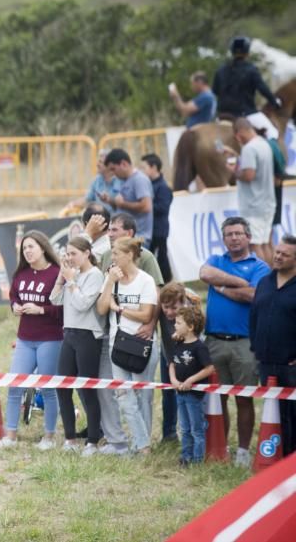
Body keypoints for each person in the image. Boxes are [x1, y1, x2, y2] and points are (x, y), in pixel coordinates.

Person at [200, 216, 272, 468]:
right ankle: (221, 447)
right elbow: (204, 273)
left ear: (248, 237)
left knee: (244, 398)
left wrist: (220, 287)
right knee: (216, 399)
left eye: (238, 234)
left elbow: (253, 295)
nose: (233, 238)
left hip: (244, 343)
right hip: (214, 341)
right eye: (229, 234)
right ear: (223, 238)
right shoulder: (216, 261)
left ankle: (243, 451)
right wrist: (238, 282)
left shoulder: (260, 266)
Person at [0, 231, 62, 451]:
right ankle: (10, 435)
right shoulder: (21, 274)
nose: (27, 251)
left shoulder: (57, 274)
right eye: (24, 249)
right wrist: (15, 306)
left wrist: (41, 309)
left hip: (50, 338)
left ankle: (49, 436)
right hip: (25, 338)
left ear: (43, 247)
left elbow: (64, 309)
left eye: (31, 247)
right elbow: (14, 296)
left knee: (48, 388)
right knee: (15, 385)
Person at [97, 237, 159, 455]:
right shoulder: (112, 278)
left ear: (130, 255)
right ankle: (142, 444)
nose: (112, 257)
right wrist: (108, 283)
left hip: (142, 343)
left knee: (143, 394)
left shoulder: (145, 280)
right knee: (124, 395)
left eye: (115, 253)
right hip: (118, 343)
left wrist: (121, 309)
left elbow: (146, 314)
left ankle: (142, 442)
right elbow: (103, 309)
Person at [49, 236, 105, 456]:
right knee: (62, 386)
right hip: (69, 333)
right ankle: (70, 438)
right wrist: (62, 279)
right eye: (67, 254)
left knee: (87, 388)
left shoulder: (95, 275)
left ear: (86, 253)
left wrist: (71, 281)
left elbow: (82, 304)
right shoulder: (74, 275)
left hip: (88, 335)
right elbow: (54, 300)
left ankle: (92, 440)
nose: (69, 258)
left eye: (73, 254)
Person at [249, 235, 296, 458]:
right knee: (272, 413)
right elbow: (254, 316)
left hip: (291, 365)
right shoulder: (265, 282)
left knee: (292, 416)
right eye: (277, 252)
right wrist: (255, 347)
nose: (277, 256)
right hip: (266, 362)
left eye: (284, 254)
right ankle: (275, 459)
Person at [169, 306, 215, 466]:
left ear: (190, 327)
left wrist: (191, 380)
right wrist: (174, 380)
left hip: (194, 395)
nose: (175, 325)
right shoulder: (178, 344)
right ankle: (185, 457)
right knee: (184, 428)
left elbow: (209, 368)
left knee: (196, 429)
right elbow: (172, 364)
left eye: (178, 323)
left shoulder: (199, 347)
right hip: (179, 393)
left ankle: (197, 461)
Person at [225, 117, 276, 263]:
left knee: (255, 245)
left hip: (254, 204)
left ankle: (263, 280)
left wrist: (234, 171)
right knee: (266, 244)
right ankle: (273, 279)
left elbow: (249, 175)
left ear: (239, 132)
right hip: (267, 202)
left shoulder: (249, 148)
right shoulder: (264, 144)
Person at [156, 283, 202, 444]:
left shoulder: (193, 310)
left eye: (173, 308)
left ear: (183, 303)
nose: (169, 312)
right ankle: (169, 434)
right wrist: (171, 369)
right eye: (165, 307)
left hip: (190, 355)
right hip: (168, 352)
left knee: (190, 395)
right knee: (168, 393)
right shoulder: (161, 308)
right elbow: (168, 348)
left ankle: (193, 433)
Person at [213, 36, 282, 138]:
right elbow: (263, 89)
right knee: (273, 134)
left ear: (232, 51)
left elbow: (215, 91)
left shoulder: (221, 70)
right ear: (247, 52)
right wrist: (274, 101)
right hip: (246, 113)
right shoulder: (251, 70)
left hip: (223, 115)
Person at [101, 149, 154, 246]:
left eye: (113, 169)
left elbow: (146, 206)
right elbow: (122, 206)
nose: (113, 173)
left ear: (124, 164)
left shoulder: (139, 180)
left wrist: (123, 204)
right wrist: (110, 201)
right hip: (126, 238)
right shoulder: (125, 180)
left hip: (138, 238)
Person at [141, 153, 173, 283]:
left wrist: (145, 204)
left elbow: (163, 207)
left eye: (144, 167)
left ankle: (165, 282)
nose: (142, 171)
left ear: (153, 167)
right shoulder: (148, 185)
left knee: (161, 257)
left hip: (159, 230)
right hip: (150, 229)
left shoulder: (163, 187)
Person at [67, 149, 122, 215]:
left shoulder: (121, 181)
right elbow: (87, 199)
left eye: (100, 162)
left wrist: (110, 200)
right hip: (100, 220)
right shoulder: (97, 180)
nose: (97, 164)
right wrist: (73, 204)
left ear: (110, 165)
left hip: (117, 221)